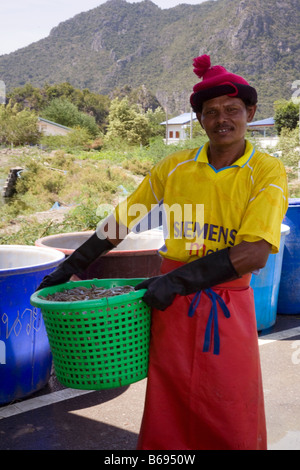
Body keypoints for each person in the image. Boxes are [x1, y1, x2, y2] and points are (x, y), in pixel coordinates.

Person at [37, 55, 288, 450]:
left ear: (250, 112)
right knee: (170, 401)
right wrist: (71, 264)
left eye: (233, 110)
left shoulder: (266, 171)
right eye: (211, 112)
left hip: (222, 303)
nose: (223, 119)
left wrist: (176, 281)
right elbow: (124, 219)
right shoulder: (173, 167)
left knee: (228, 402)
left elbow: (254, 253)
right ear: (200, 120)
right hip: (170, 306)